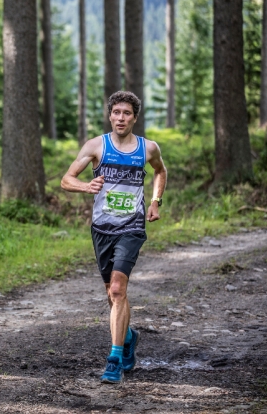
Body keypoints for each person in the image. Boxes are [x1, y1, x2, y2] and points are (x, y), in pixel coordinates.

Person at [61, 91, 167, 384]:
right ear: (110, 115)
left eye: (127, 113)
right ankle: (129, 336)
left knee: (119, 290)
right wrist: (86, 186)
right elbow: (66, 179)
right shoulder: (96, 145)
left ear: (135, 117)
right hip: (102, 229)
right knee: (112, 295)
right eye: (117, 112)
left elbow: (160, 171)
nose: (121, 118)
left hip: (131, 227)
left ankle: (114, 358)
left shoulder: (148, 148)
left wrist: (156, 201)